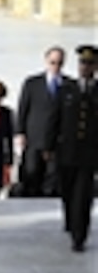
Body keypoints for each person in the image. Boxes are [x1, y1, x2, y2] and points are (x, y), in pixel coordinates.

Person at [45, 44, 98, 253]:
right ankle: (71, 220)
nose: (86, 67)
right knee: (67, 191)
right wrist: (48, 146)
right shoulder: (67, 89)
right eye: (83, 63)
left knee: (83, 194)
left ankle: (79, 235)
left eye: (90, 64)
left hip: (89, 152)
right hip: (66, 150)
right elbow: (54, 118)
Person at [16, 47, 68, 197]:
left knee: (52, 178)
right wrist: (20, 132)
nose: (56, 66)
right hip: (34, 138)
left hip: (57, 140)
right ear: (46, 61)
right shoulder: (32, 83)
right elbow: (23, 108)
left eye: (59, 63)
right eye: (52, 62)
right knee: (31, 174)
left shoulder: (69, 84)